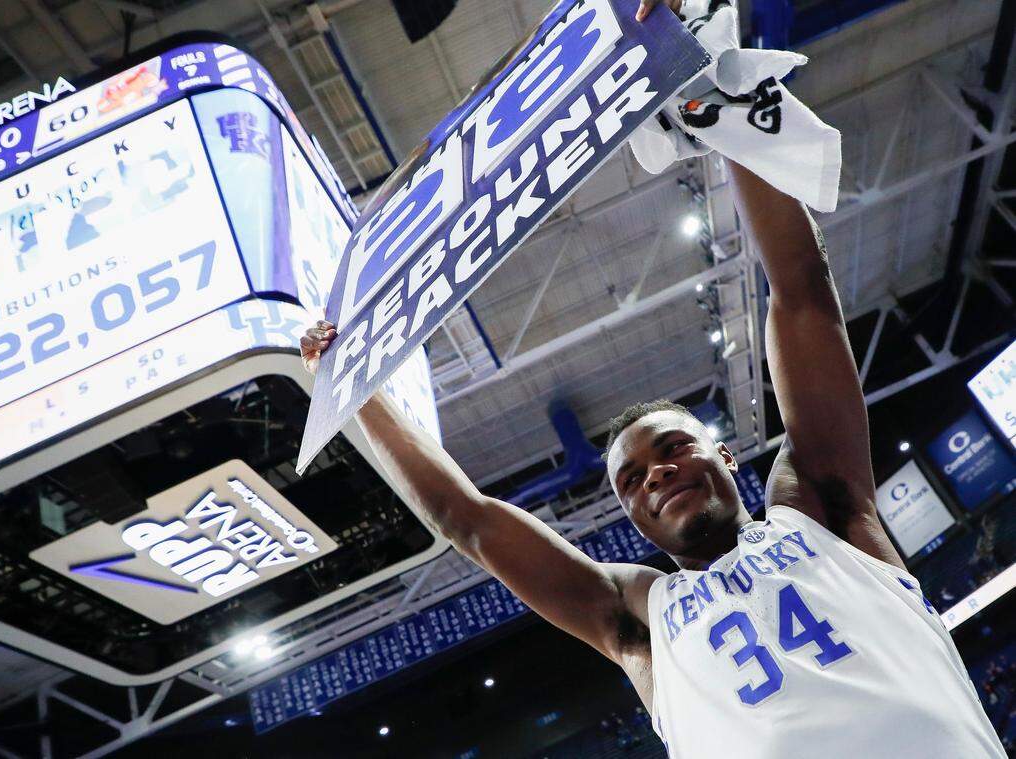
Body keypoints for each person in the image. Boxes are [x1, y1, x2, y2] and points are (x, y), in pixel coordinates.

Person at [300, 5, 1005, 756]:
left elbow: (801, 290)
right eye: (631, 480)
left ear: (727, 455)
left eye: (670, 447)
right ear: (631, 521)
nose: (655, 474)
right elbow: (465, 519)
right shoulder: (636, 617)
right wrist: (355, 391)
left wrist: (714, 95)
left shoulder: (824, 507)